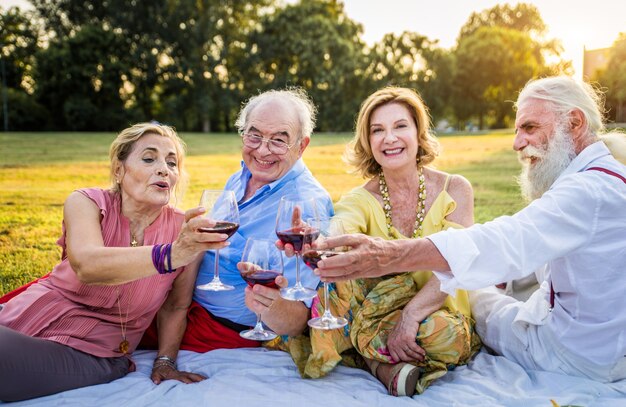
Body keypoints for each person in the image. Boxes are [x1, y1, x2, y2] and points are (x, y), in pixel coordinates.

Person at [314, 76, 626, 383]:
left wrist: (388, 256)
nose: (517, 143)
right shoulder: (609, 175)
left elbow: (508, 240)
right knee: (490, 278)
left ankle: (375, 355)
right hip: (605, 341)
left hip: (574, 354)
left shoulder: (586, 191)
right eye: (378, 130)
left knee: (479, 300)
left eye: (529, 128)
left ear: (574, 123)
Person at [0, 122, 230, 402]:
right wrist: (169, 255)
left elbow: (175, 306)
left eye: (172, 163)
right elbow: (87, 264)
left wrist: (165, 361)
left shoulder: (184, 230)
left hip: (91, 351)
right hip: (21, 317)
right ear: (119, 170)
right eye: (149, 158)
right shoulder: (86, 202)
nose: (164, 169)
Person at [277, 87, 481, 397]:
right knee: (337, 286)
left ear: (418, 132)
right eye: (378, 130)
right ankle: (377, 362)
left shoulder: (456, 189)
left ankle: (364, 355)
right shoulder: (360, 199)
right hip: (375, 311)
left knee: (445, 337)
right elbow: (337, 236)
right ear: (368, 141)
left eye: (400, 126)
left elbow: (456, 264)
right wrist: (312, 239)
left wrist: (410, 316)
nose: (389, 138)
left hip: (435, 309)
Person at [140, 88, 334, 366]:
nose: (263, 149)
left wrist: (268, 303)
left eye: (279, 140)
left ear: (302, 146)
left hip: (215, 328)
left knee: (103, 324)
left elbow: (296, 322)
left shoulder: (305, 204)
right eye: (254, 135)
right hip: (175, 302)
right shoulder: (241, 176)